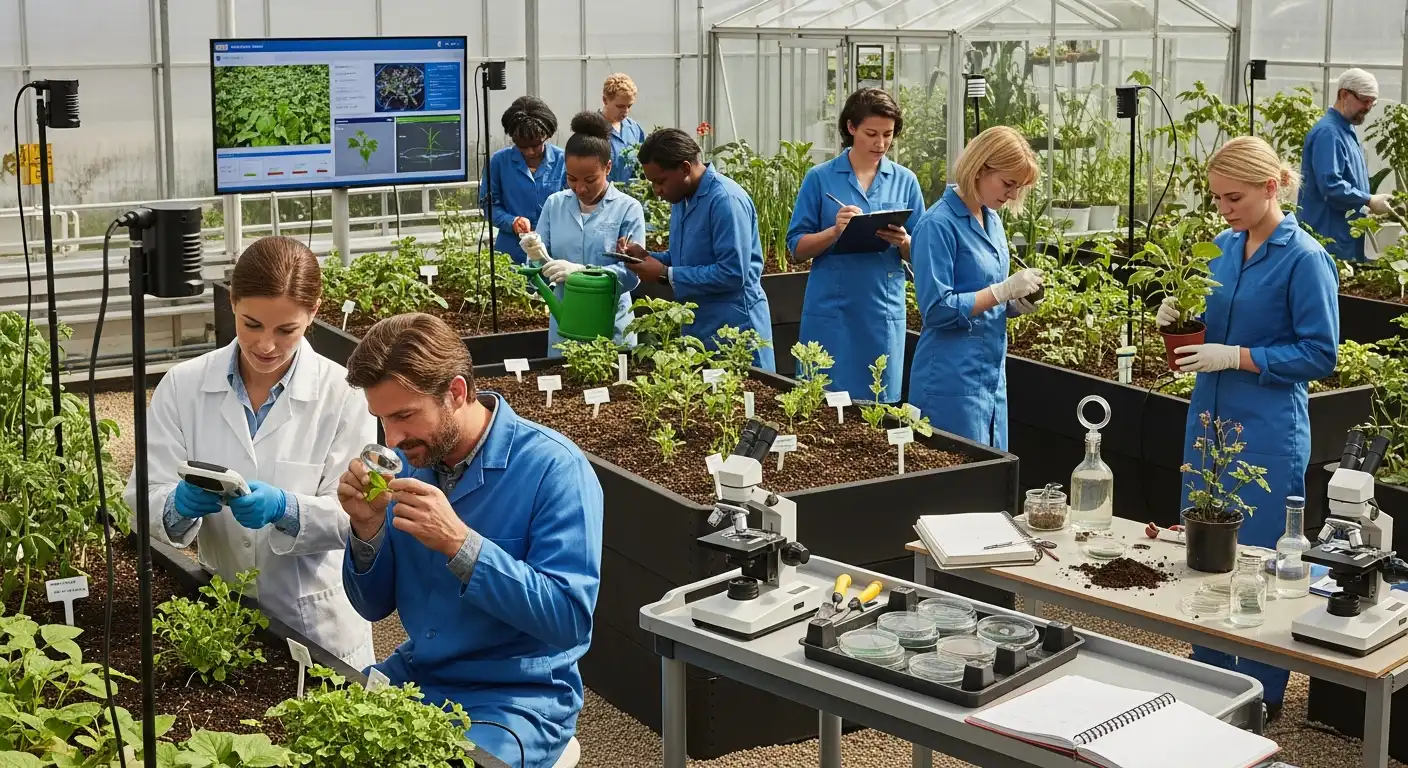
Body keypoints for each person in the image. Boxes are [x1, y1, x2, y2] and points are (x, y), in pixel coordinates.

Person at [337, 313, 603, 768]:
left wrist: (462, 545)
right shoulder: (412, 461)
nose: (392, 439)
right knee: (314, 737)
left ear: (456, 392)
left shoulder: (555, 469)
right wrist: (368, 528)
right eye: (381, 419)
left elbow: (569, 621)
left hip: (517, 699)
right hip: (418, 675)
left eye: (404, 416)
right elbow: (372, 607)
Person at [128, 236, 375, 669]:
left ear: (313, 312)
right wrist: (175, 506)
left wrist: (287, 509)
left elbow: (357, 515)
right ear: (232, 302)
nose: (266, 345)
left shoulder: (344, 395)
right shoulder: (183, 386)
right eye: (252, 324)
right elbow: (138, 498)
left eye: (286, 330)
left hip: (318, 626)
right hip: (223, 622)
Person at [1161, 136, 1339, 718]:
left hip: (1266, 428)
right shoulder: (1221, 248)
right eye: (1216, 199)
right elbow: (1207, 324)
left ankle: (1260, 693)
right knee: (1204, 552)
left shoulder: (1304, 258)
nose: (1224, 209)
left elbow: (1320, 353)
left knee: (1258, 558)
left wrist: (1238, 357)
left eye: (1233, 198)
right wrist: (1178, 316)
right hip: (1209, 420)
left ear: (1270, 187)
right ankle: (1209, 678)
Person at [907, 126, 1042, 449]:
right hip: (950, 379)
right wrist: (1002, 291)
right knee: (959, 474)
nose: (1012, 195)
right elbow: (937, 309)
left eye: (1018, 187)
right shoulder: (937, 225)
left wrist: (1015, 303)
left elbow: (986, 295)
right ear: (980, 168)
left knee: (994, 471)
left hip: (990, 378)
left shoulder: (991, 219)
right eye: (1008, 183)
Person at [786, 88, 925, 402]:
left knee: (877, 404)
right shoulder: (820, 178)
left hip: (881, 309)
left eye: (888, 135)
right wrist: (834, 231)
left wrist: (904, 241)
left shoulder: (905, 180)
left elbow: (924, 254)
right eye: (871, 134)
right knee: (821, 401)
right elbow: (796, 248)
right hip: (831, 309)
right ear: (851, 127)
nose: (880, 144)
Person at [617, 128, 775, 371]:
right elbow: (685, 258)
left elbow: (733, 273)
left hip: (736, 328)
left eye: (660, 181)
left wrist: (664, 274)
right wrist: (646, 257)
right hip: (700, 327)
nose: (656, 190)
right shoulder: (682, 198)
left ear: (684, 168)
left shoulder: (725, 200)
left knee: (742, 392)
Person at [536, 111, 647, 357]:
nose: (580, 188)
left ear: (608, 167)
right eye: (571, 179)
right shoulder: (555, 205)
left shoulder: (627, 209)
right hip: (566, 324)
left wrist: (581, 272)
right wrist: (534, 254)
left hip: (612, 327)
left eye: (590, 179)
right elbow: (537, 270)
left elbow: (632, 275)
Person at [1298, 68, 1393, 261]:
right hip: (1328, 237)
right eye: (1364, 100)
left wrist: (1367, 205)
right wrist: (1368, 200)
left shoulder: (1346, 131)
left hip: (1344, 237)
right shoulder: (1328, 133)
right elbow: (1331, 186)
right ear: (1344, 94)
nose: (1368, 107)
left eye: (1372, 102)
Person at [482, 96, 566, 264]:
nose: (530, 152)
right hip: (511, 251)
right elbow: (489, 205)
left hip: (554, 250)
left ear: (547, 135)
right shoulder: (499, 162)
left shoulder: (563, 160)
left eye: (535, 145)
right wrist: (512, 221)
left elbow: (575, 204)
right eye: (522, 146)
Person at [601, 73, 646, 184]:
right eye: (620, 106)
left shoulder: (634, 129)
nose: (625, 111)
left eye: (629, 106)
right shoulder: (591, 129)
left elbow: (642, 165)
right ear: (605, 100)